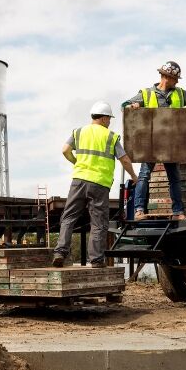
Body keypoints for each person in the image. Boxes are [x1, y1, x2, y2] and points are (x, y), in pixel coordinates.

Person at [122, 61, 186, 220]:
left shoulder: (180, 94)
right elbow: (124, 105)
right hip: (151, 143)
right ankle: (139, 210)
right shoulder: (147, 94)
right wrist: (131, 106)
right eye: (176, 78)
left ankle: (178, 212)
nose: (177, 81)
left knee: (174, 178)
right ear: (167, 77)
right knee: (144, 176)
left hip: (171, 144)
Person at [53, 101, 138, 268]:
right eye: (109, 119)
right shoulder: (110, 136)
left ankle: (60, 252)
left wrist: (76, 162)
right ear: (105, 118)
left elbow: (65, 150)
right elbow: (125, 159)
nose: (109, 122)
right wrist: (134, 177)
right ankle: (96, 260)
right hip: (99, 184)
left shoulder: (79, 132)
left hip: (79, 181)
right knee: (98, 222)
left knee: (68, 217)